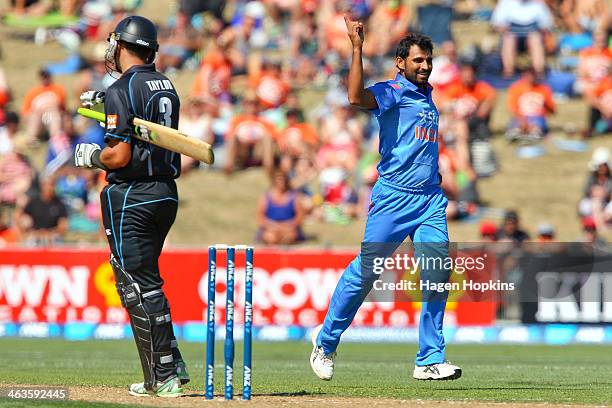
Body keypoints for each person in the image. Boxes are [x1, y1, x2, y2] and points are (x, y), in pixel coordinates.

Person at [310, 16, 461, 382]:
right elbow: (354, 97)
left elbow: (419, 143)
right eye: (418, 61)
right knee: (366, 273)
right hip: (394, 199)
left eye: (428, 60)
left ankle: (429, 359)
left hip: (429, 201)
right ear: (400, 63)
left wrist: (432, 175)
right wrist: (357, 48)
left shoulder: (428, 96)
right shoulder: (393, 92)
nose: (425, 66)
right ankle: (325, 342)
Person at [73, 16, 188, 397]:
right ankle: (169, 363)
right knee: (147, 280)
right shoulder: (165, 83)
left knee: (136, 284)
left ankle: (164, 375)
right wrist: (107, 106)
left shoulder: (122, 86)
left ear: (121, 45)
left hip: (132, 196)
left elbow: (120, 155)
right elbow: (146, 127)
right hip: (165, 193)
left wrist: (93, 157)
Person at [256, 169, 305, 245]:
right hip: (271, 228)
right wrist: (270, 225)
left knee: (289, 237)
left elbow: (300, 216)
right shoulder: (266, 196)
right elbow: (260, 216)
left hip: (289, 228)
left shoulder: (294, 196)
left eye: (283, 179)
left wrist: (289, 225)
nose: (281, 182)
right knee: (270, 237)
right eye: (279, 179)